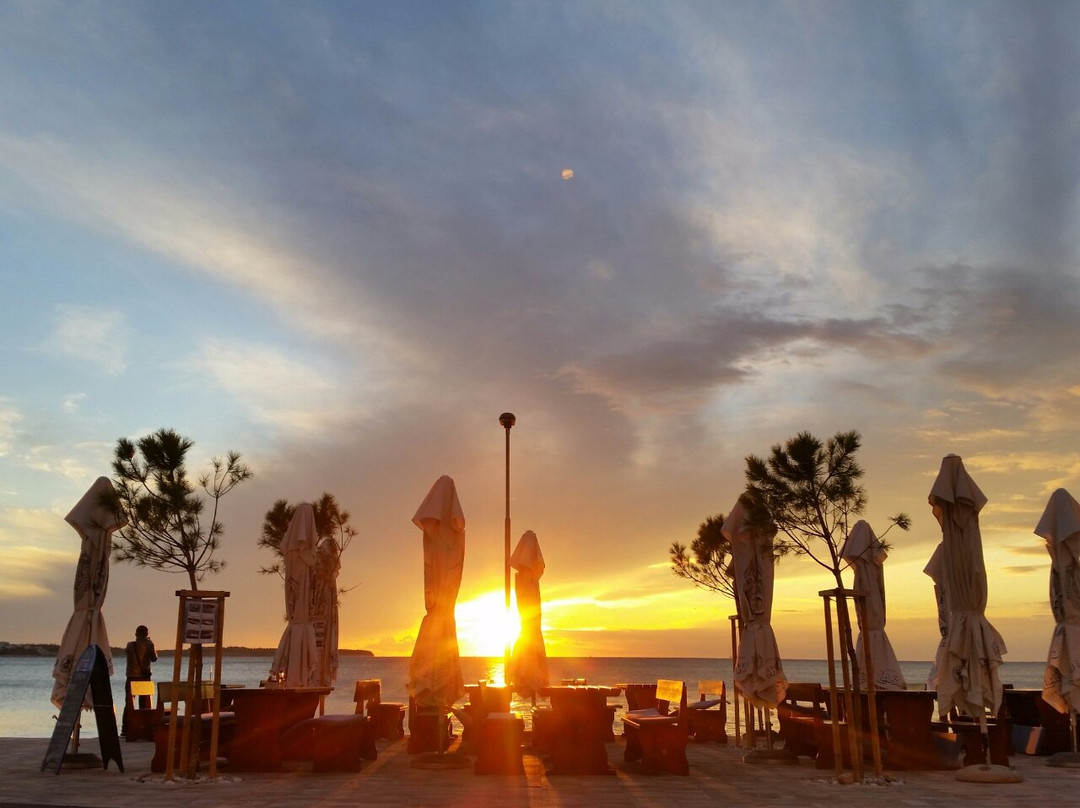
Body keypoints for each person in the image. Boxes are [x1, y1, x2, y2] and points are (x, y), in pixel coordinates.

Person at [123, 625, 157, 736]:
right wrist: (151, 643)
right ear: (146, 634)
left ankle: (126, 728)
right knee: (144, 703)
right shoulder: (149, 645)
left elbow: (127, 653)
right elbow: (154, 658)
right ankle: (143, 727)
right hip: (144, 677)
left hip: (131, 677)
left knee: (129, 703)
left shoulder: (129, 645)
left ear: (136, 634)